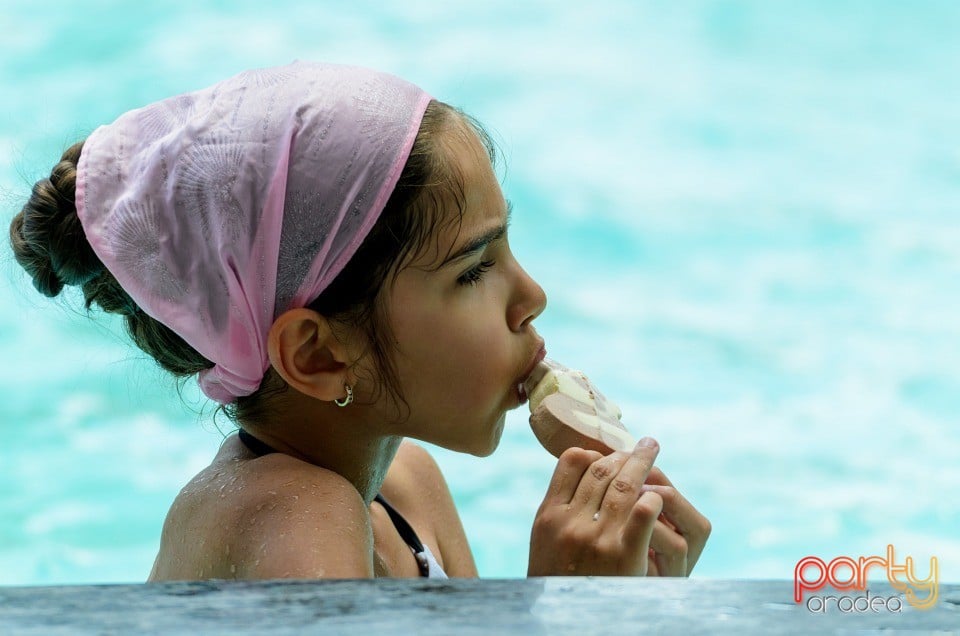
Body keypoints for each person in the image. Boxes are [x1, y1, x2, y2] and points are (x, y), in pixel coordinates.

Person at [9, 61, 710, 579]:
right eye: (472, 269)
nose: (532, 296)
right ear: (318, 356)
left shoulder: (407, 485)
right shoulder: (294, 522)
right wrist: (575, 611)